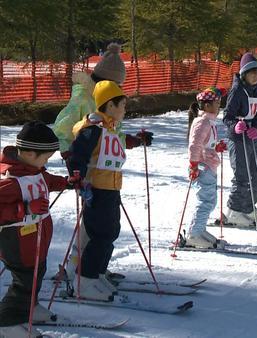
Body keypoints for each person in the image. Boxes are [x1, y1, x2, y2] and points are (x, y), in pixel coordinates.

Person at [67, 81, 153, 301]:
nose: (125, 109)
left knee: (111, 232)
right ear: (110, 105)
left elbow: (115, 148)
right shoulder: (94, 127)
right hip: (96, 189)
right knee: (100, 234)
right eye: (122, 104)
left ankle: (95, 274)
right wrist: (77, 173)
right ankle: (84, 280)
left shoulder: (110, 128)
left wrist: (137, 140)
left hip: (111, 188)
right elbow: (78, 152)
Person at [0, 121, 79, 337]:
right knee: (24, 283)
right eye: (45, 157)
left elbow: (46, 180)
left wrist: (66, 183)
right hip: (16, 241)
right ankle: (6, 323)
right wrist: (24, 209)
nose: (46, 162)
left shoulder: (33, 170)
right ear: (31, 153)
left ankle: (30, 309)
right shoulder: (11, 180)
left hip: (36, 239)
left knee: (37, 274)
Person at [53, 42, 144, 163]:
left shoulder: (108, 101)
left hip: (103, 165)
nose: (118, 90)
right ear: (106, 82)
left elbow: (109, 133)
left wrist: (129, 140)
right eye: (116, 86)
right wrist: (68, 152)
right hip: (84, 164)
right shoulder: (83, 99)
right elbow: (62, 128)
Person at [222, 52, 257, 226]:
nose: (255, 76)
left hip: (252, 136)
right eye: (251, 73)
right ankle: (234, 211)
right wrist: (235, 126)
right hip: (238, 138)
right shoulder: (237, 91)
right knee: (242, 175)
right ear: (244, 74)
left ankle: (248, 207)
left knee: (256, 175)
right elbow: (227, 117)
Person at [185, 87, 228, 248]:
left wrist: (216, 147)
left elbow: (205, 144)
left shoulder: (208, 122)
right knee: (205, 201)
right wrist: (193, 165)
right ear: (207, 105)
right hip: (203, 167)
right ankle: (194, 234)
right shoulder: (202, 122)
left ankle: (199, 229)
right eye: (217, 103)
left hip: (208, 165)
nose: (219, 106)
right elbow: (194, 145)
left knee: (210, 201)